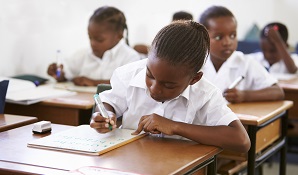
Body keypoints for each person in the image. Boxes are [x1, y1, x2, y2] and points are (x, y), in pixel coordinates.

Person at [90, 20, 250, 153]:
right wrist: (105, 115)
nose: (154, 88)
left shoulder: (205, 94)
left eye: (169, 85)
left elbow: (241, 141)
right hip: (130, 162)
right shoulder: (128, 74)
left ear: (194, 79)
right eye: (150, 75)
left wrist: (174, 126)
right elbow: (108, 103)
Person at [199, 6, 284, 103]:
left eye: (232, 35)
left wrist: (245, 95)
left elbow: (278, 92)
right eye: (219, 37)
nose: (227, 42)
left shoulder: (246, 62)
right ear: (203, 38)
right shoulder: (195, 63)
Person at [47, 6, 140, 86]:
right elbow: (67, 75)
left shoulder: (130, 57)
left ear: (119, 36)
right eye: (90, 37)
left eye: (99, 40)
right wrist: (58, 74)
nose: (93, 43)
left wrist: (94, 82)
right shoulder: (82, 55)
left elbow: (127, 84)